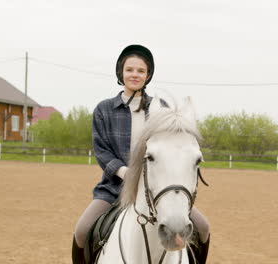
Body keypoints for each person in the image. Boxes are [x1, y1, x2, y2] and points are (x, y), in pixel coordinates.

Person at [71, 44, 210, 264]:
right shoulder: (104, 109)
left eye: (141, 71)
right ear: (121, 72)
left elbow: (174, 147)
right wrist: (126, 173)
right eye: (129, 70)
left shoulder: (160, 109)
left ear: (148, 75)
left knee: (202, 228)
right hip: (114, 188)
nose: (134, 75)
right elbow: (102, 151)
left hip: (157, 187)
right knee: (81, 231)